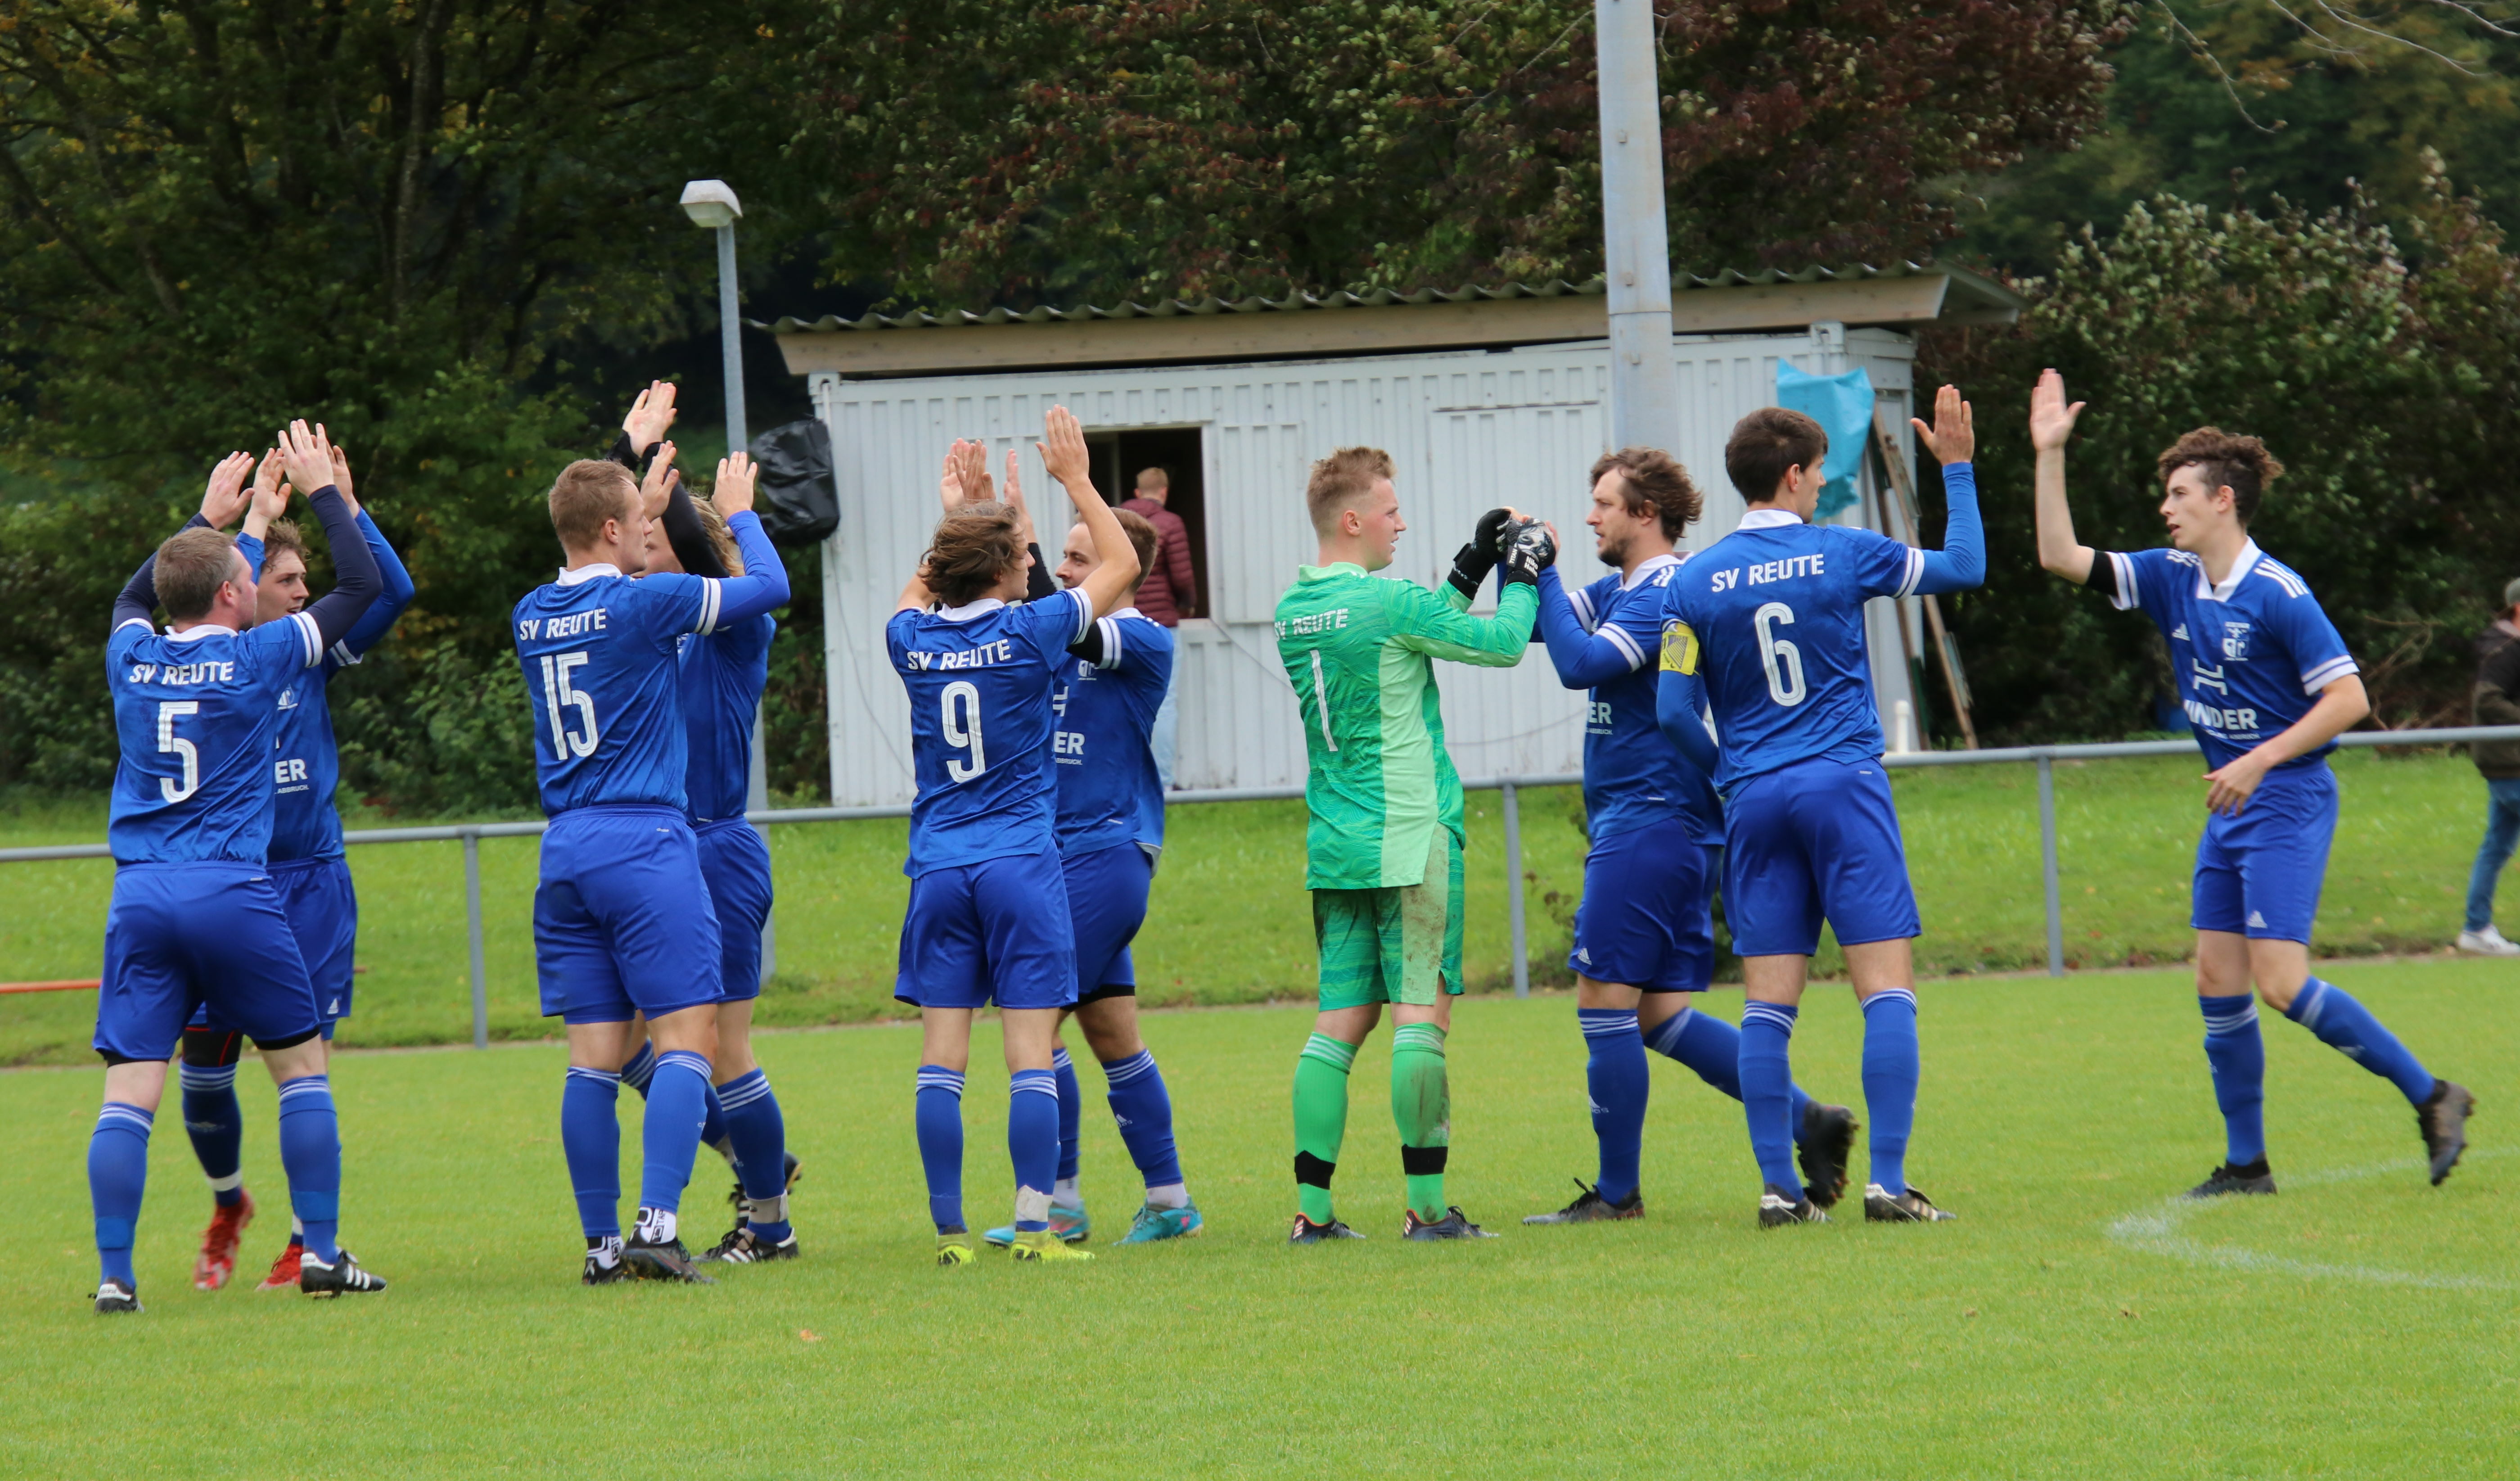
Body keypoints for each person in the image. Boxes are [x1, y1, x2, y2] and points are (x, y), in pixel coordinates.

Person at [2025, 368, 2475, 1195]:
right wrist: (2047, 453)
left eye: (2178, 494)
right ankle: (2246, 1165)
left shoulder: (2277, 594)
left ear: (2222, 500)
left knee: (2279, 983)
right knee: (2215, 982)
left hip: (2284, 800)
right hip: (2230, 804)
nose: (2165, 508)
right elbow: (2058, 555)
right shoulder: (2172, 576)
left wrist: (2259, 757)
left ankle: (2431, 1094)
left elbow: (2349, 699)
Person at [1655, 389, 1985, 1228]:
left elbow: (1670, 712)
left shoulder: (1691, 581)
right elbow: (1963, 566)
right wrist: (1955, 469)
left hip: (1755, 798)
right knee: (1884, 992)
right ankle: (1887, 1184)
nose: (1820, 488)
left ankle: (1779, 1190)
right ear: (1795, 476)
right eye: (1818, 474)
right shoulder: (1841, 551)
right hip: (1841, 784)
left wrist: (1730, 774)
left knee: (1767, 1007)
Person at [89, 423, 388, 1313]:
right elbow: (364, 586)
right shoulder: (258, 656)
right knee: (300, 1070)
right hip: (231, 889)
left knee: (128, 1093)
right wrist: (324, 494)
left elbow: (135, 594)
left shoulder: (130, 655)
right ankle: (321, 1252)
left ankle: (115, 1277)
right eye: (245, 573)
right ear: (232, 593)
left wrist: (211, 519)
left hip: (142, 893)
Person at [1521, 448, 1855, 1226]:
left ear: (1646, 515)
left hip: (1649, 817)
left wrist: (1540, 571)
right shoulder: (1621, 589)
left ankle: (1616, 1195)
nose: (1589, 517)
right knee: (1658, 1014)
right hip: (1666, 824)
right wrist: (1501, 562)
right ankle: (1807, 1118)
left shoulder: (1663, 591)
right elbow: (1539, 627)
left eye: (1604, 504)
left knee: (1603, 1001)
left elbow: (1578, 663)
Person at [517, 438, 789, 1285]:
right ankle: (672, 1212)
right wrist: (705, 498)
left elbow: (593, 530)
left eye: (657, 527)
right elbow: (600, 530)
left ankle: (745, 1219)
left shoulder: (547, 613)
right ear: (615, 529)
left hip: (654, 844)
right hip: (647, 843)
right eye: (637, 521)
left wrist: (657, 484)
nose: (644, 532)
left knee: (675, 1052)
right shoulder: (642, 612)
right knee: (669, 1045)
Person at [1275, 448, 1546, 1243]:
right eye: (1389, 511)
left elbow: (1405, 637)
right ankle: (1426, 1210)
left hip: (1336, 841)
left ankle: (1312, 1213)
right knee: (1419, 1018)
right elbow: (1500, 643)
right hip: (1410, 837)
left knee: (1337, 1023)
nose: (1400, 524)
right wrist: (1522, 571)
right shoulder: (1387, 600)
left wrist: (1469, 563)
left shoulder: (1295, 607)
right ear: (1351, 519)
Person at [890, 407, 1141, 1267]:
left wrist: (959, 520)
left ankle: (950, 1236)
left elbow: (917, 592)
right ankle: (1034, 1227)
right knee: (1029, 1052)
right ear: (1003, 571)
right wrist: (1076, 481)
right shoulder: (1030, 632)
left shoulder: (909, 639)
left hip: (938, 869)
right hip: (1020, 866)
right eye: (1021, 557)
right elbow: (1123, 564)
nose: (1032, 562)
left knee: (940, 1060)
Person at [179, 441, 416, 1295]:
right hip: (219, 882)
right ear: (243, 588)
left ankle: (304, 1242)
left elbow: (393, 593)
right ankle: (228, 1200)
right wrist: (233, 526)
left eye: (306, 582)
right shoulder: (202, 661)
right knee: (203, 1074)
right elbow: (173, 588)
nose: (302, 593)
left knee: (304, 1069)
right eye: (286, 581)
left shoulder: (311, 653)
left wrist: (348, 506)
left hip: (308, 882)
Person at [975, 502, 1202, 1248]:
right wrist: (992, 524)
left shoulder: (1140, 637)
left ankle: (1057, 1204)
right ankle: (1169, 1201)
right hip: (1057, 858)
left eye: (1078, 557)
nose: (1061, 570)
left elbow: (1071, 622)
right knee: (1111, 1034)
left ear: (1117, 568)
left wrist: (1072, 486)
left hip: (1103, 857)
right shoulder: (1061, 634)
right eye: (1060, 556)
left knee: (1033, 1021)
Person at [1121, 467, 1197, 790]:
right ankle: (1163, 784)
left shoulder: (1117, 521)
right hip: (1162, 624)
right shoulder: (1170, 523)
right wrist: (1188, 604)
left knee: (1121, 700)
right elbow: (1182, 577)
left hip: (1121, 623)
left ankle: (1127, 782)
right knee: (1164, 702)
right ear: (1164, 492)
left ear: (1137, 493)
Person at [2456, 578, 2520, 955]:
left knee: (2496, 846)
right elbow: (2487, 701)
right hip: (2508, 763)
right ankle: (2476, 929)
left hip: (2506, 762)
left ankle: (2475, 929)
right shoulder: (2505, 651)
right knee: (2496, 846)